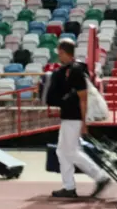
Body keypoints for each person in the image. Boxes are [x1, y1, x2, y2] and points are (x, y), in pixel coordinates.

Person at [47, 39, 109, 198]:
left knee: (71, 151)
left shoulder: (75, 70)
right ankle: (69, 187)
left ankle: (100, 176)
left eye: (60, 53)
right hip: (69, 116)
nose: (58, 56)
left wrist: (83, 122)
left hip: (74, 117)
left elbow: (83, 98)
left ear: (64, 52)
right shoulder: (71, 69)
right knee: (62, 151)